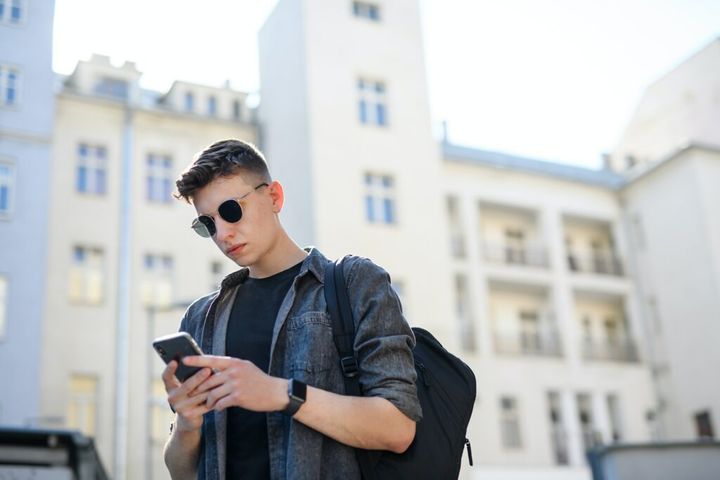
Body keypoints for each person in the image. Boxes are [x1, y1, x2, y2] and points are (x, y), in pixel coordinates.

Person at [162, 139, 421, 480]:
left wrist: (279, 393)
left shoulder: (354, 283)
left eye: (230, 210)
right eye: (207, 224)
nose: (223, 233)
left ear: (274, 197)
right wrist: (186, 424)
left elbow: (398, 428)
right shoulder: (200, 318)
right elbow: (180, 472)